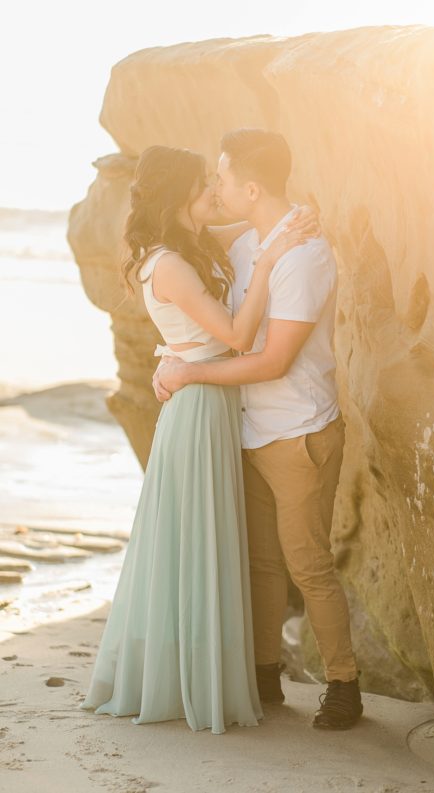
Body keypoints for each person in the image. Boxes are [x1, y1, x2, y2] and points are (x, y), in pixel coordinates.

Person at [80, 144, 315, 734]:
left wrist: (276, 224)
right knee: (193, 538)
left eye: (219, 179)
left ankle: (199, 668)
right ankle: (184, 678)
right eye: (205, 182)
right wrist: (270, 259)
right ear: (180, 193)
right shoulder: (169, 264)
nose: (216, 188)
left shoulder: (191, 245)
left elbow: (241, 220)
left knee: (204, 537)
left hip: (209, 401)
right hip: (198, 406)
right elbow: (237, 334)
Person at [153, 128, 363, 731]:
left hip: (297, 432)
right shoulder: (252, 240)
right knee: (263, 565)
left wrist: (187, 372)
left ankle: (344, 685)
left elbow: (273, 361)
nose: (215, 190)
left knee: (308, 565)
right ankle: (265, 673)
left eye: (221, 179)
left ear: (251, 186)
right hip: (248, 428)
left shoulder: (303, 255)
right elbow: (178, 239)